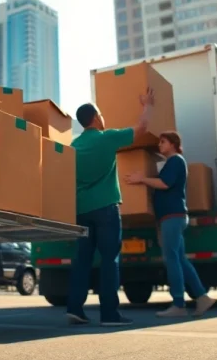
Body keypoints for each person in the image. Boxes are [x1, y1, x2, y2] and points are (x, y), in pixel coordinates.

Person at [66, 88, 154, 327]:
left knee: (82, 260)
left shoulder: (73, 147)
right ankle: (109, 314)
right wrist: (146, 105)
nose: (104, 118)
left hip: (81, 211)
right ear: (95, 117)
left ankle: (75, 309)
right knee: (109, 259)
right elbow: (142, 128)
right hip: (105, 208)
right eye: (101, 114)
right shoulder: (107, 138)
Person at [125, 131, 215, 318]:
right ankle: (202, 297)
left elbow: (165, 184)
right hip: (171, 217)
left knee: (171, 258)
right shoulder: (171, 163)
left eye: (163, 142)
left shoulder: (176, 161)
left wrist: (141, 179)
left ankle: (178, 304)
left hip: (173, 216)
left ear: (173, 144)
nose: (160, 145)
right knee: (180, 258)